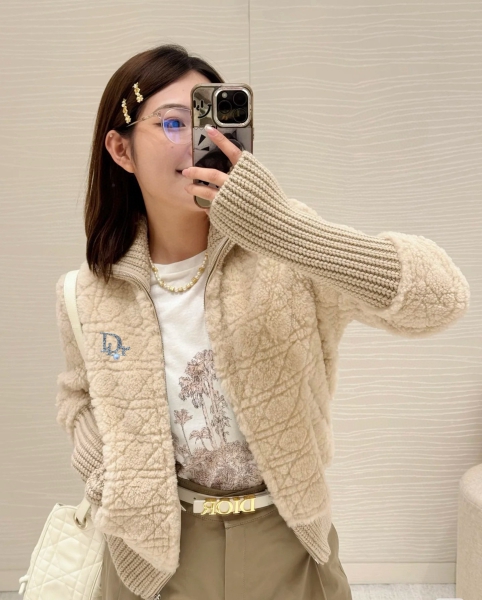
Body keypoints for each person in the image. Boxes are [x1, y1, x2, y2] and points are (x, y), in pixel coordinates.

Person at [55, 43, 471, 600]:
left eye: (211, 119)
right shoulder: (89, 291)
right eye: (173, 122)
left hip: (288, 540)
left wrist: (283, 229)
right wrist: (106, 472)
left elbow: (442, 299)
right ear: (121, 149)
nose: (198, 139)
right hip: (152, 556)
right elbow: (78, 395)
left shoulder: (288, 254)